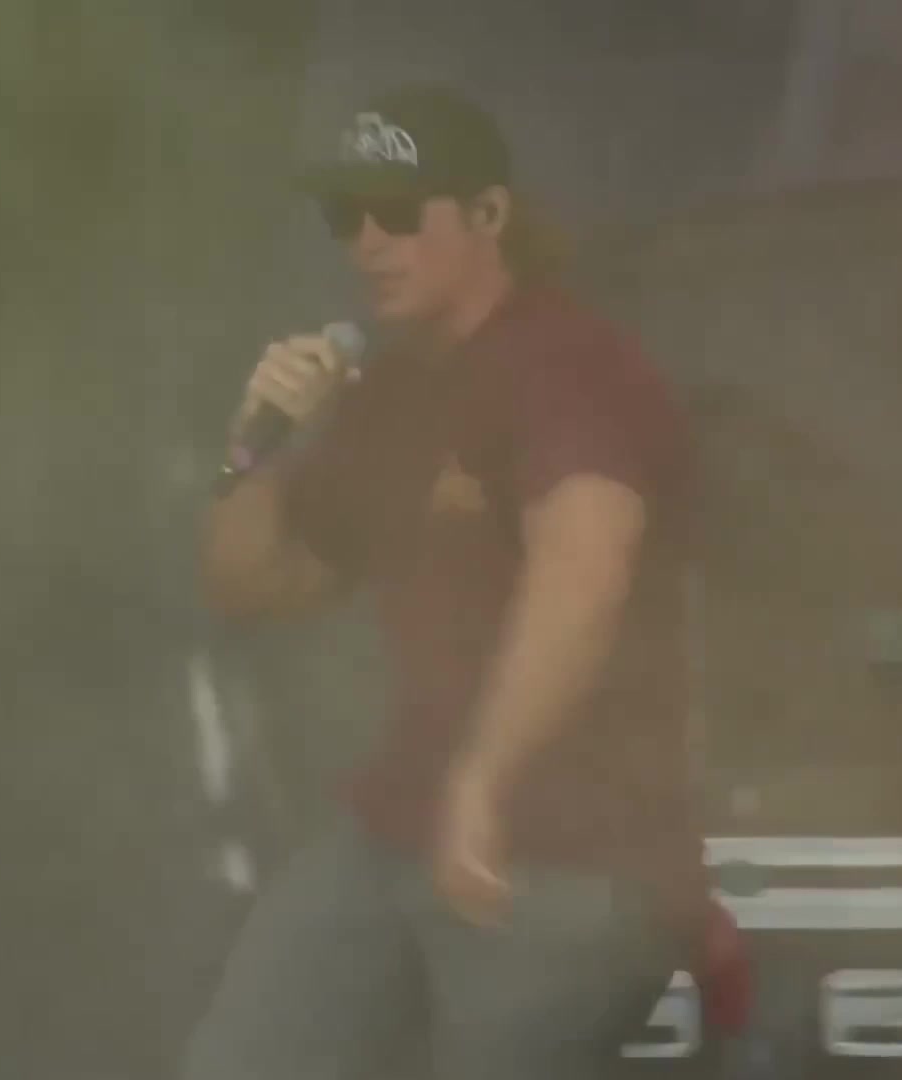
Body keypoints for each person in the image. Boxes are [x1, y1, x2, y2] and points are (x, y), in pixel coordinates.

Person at [190, 85, 704, 1079]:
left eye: (397, 212)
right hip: (399, 830)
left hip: (573, 848)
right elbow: (254, 588)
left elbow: (586, 569)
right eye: (346, 216)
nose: (368, 242)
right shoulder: (386, 394)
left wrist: (484, 779)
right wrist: (253, 448)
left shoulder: (570, 364)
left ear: (488, 214)